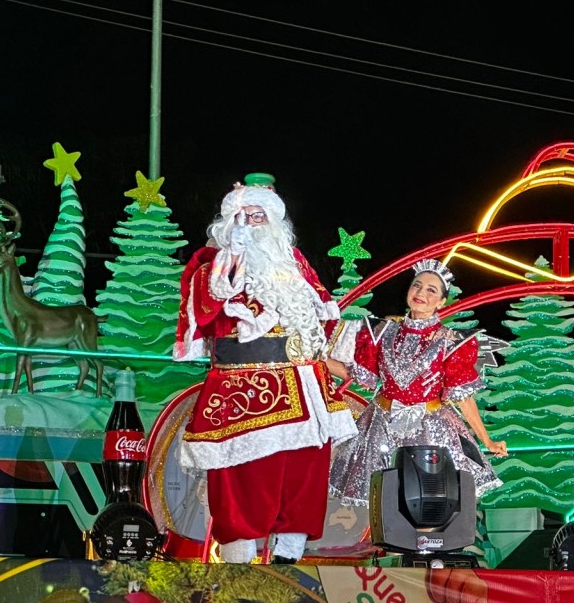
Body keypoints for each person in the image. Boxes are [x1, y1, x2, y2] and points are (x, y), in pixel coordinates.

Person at [174, 173, 357, 564]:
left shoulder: (294, 266)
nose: (252, 224)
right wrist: (230, 257)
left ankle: (289, 559)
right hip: (245, 388)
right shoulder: (212, 264)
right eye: (244, 215)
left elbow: (321, 316)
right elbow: (205, 308)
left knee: (304, 473)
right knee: (245, 477)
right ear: (228, 221)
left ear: (275, 223)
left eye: (260, 217)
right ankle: (239, 563)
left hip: (305, 385)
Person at [325, 258, 506, 507]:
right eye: (416, 286)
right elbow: (356, 374)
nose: (421, 293)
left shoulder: (451, 341)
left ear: (442, 301)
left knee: (430, 501)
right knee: (387, 500)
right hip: (381, 426)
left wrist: (487, 440)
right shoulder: (381, 332)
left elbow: (463, 396)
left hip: (433, 430)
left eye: (431, 290)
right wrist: (312, 359)